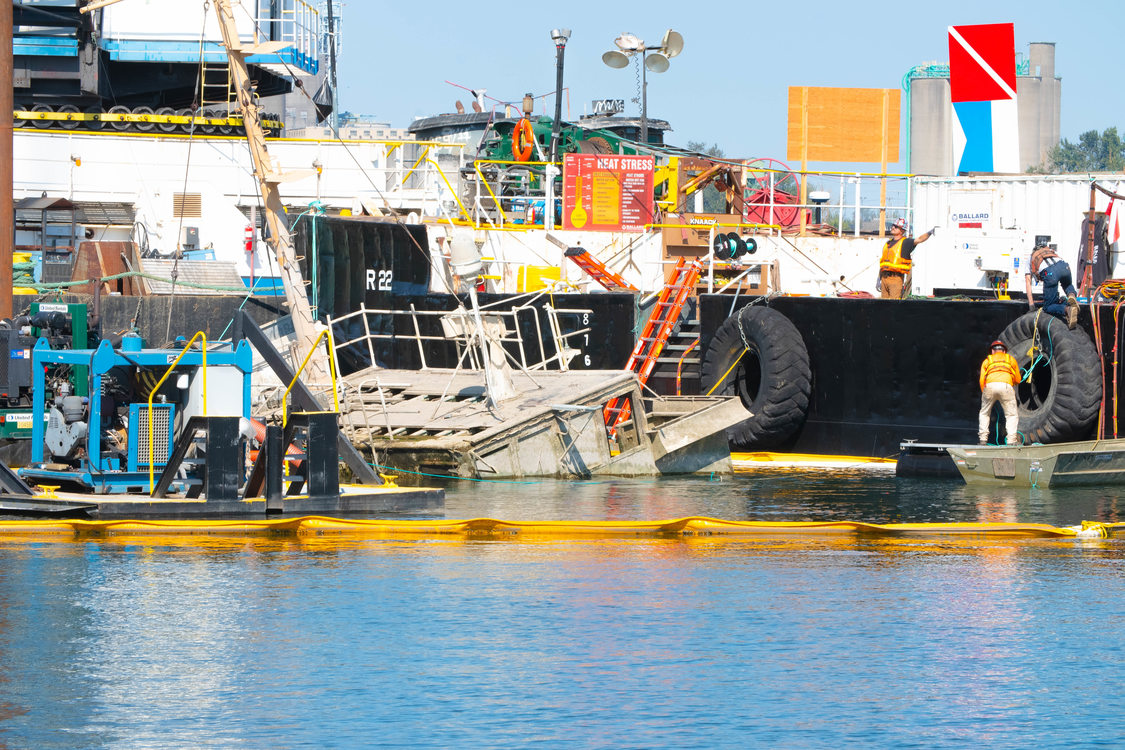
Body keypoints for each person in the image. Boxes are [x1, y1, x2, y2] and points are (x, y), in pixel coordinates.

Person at [978, 340, 1021, 446]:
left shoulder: (987, 361)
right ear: (1004, 351)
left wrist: (985, 392)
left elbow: (981, 379)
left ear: (992, 351)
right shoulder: (1010, 359)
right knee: (1011, 415)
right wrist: (1012, 382)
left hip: (990, 386)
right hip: (1006, 386)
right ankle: (1011, 441)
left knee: (984, 413)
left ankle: (983, 440)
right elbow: (1018, 379)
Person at [879, 218, 934, 299]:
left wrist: (930, 233)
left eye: (896, 226)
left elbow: (919, 239)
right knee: (883, 306)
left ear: (902, 231)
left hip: (896, 279)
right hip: (884, 278)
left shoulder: (906, 242)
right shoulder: (888, 243)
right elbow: (883, 262)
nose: (893, 227)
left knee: (893, 306)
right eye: (893, 225)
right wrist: (879, 278)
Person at [1026, 245, 1079, 329]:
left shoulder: (1030, 258)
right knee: (1067, 284)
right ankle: (1071, 296)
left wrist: (1031, 306)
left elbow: (1028, 283)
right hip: (1064, 266)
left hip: (1050, 273)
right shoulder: (1049, 251)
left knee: (1048, 306)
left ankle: (1067, 309)